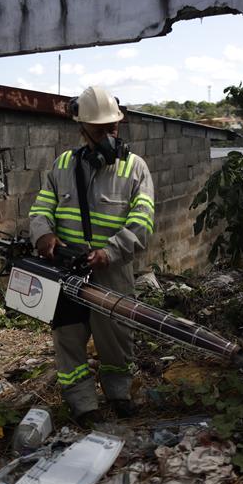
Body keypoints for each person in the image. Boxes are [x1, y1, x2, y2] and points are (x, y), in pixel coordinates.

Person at [28, 85, 155, 427]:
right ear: (82, 129)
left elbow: (142, 222)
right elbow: (41, 208)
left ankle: (119, 393)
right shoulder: (63, 165)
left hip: (111, 271)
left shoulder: (135, 169)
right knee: (68, 339)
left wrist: (110, 252)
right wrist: (44, 235)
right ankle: (84, 405)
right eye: (99, 131)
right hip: (67, 272)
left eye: (112, 129)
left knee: (115, 339)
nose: (107, 137)